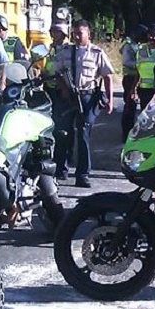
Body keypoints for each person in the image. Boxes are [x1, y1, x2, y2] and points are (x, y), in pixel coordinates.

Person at [54, 20, 114, 188]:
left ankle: (83, 174)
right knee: (63, 132)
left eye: (80, 33)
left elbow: (107, 76)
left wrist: (109, 100)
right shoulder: (65, 51)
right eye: (74, 33)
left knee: (83, 134)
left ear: (89, 34)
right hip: (68, 97)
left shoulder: (96, 52)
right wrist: (63, 88)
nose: (77, 36)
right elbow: (57, 72)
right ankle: (61, 169)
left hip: (88, 96)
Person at [120, 24, 147, 139]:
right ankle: (126, 133)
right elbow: (126, 62)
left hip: (138, 77)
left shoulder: (138, 45)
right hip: (130, 78)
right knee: (130, 106)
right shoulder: (128, 45)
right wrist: (142, 65)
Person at [135, 23, 155, 110]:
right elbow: (137, 70)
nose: (152, 38)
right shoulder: (141, 49)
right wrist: (134, 88)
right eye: (150, 35)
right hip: (144, 89)